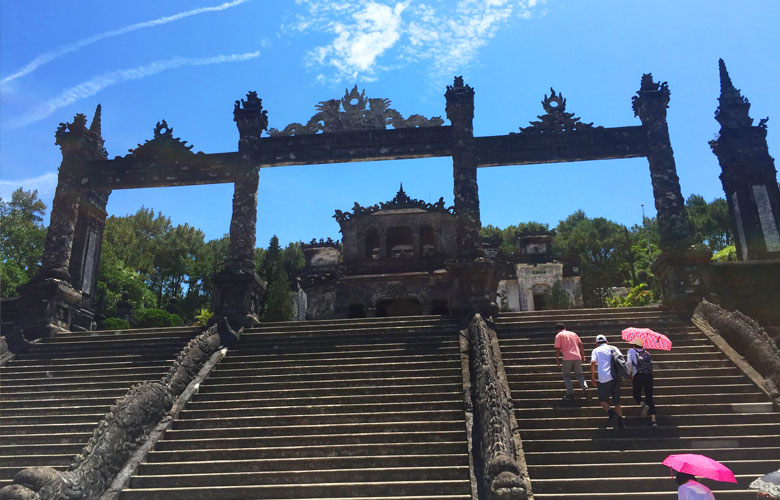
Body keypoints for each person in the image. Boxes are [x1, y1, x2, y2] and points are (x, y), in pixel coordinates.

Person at [590, 334, 624, 429]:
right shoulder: (614, 348)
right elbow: (621, 360)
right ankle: (621, 422)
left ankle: (611, 413)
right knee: (617, 402)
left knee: (603, 400)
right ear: (607, 341)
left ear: (596, 343)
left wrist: (593, 377)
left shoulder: (596, 350)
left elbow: (593, 363)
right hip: (615, 377)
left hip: (603, 378)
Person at [626, 337, 657, 427]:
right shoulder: (647, 352)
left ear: (634, 344)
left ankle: (643, 405)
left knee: (636, 394)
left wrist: (629, 374)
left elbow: (628, 363)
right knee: (649, 397)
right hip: (649, 376)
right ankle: (653, 421)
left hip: (638, 375)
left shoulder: (631, 351)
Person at [554, 323, 589, 400]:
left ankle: (571, 393)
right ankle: (585, 388)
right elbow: (581, 344)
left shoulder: (559, 335)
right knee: (579, 374)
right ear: (565, 327)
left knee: (566, 375)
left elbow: (557, 348)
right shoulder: (573, 334)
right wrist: (583, 356)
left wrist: (557, 359)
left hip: (567, 357)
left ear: (557, 330)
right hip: (577, 356)